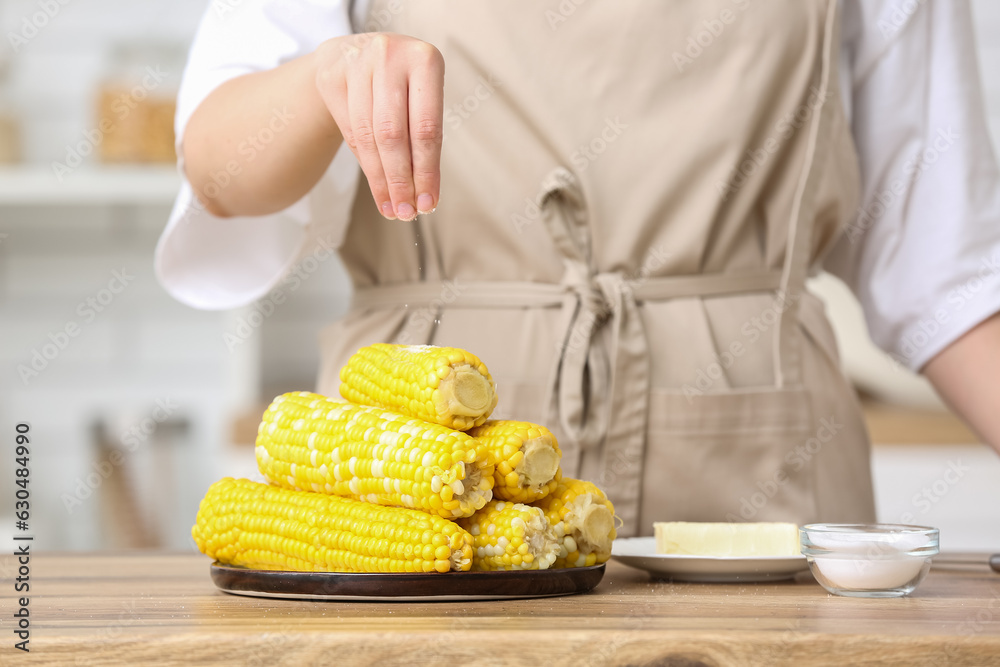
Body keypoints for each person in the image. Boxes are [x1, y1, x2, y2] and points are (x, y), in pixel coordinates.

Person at [156, 0, 1000, 536]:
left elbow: (948, 278)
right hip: (428, 483)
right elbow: (222, 175)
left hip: (768, 483)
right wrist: (322, 79)